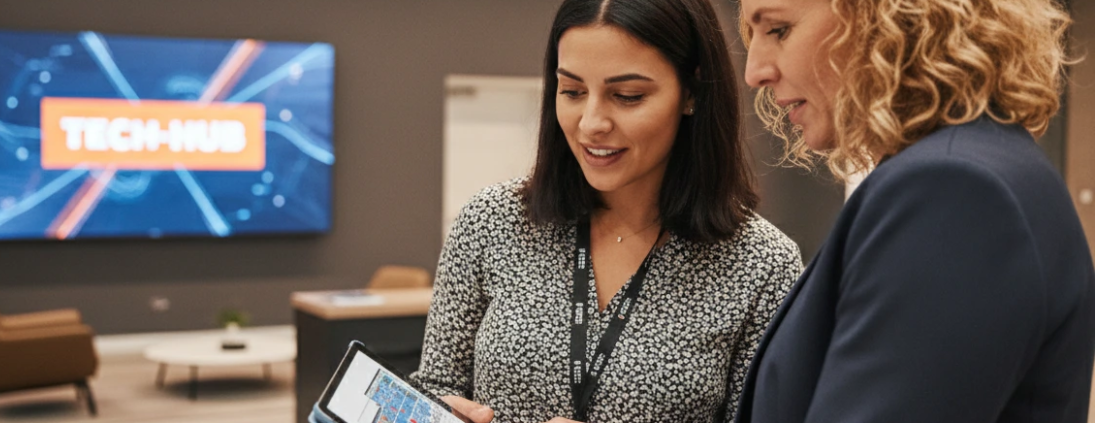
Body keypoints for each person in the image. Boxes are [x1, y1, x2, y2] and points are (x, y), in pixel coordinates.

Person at [408, 0, 802, 422]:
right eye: (572, 92)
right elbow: (433, 387)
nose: (591, 123)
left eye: (627, 96)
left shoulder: (762, 265)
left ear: (691, 92)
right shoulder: (492, 220)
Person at [733, 0, 1095, 422]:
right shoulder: (972, 170)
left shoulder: (952, 192)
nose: (754, 71)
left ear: (882, 16)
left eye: (778, 29)